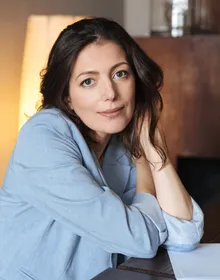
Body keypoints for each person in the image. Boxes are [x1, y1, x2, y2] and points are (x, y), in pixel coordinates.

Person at [0, 17, 204, 280]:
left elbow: (184, 237)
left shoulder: (120, 141)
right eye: (88, 81)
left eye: (120, 74)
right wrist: (144, 172)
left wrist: (153, 148)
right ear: (67, 97)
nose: (110, 93)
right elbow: (138, 239)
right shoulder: (43, 139)